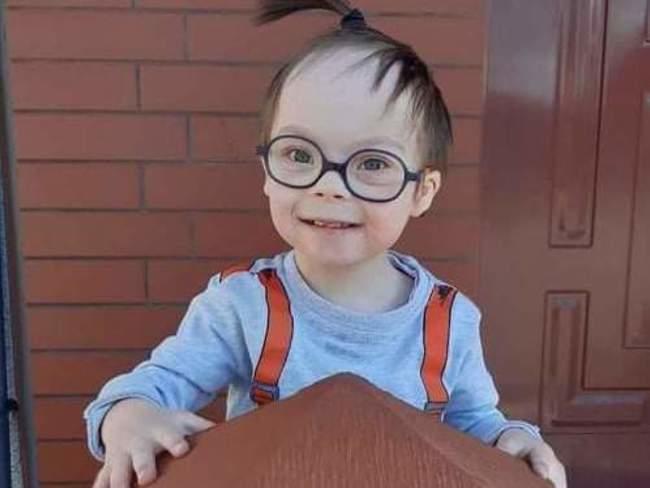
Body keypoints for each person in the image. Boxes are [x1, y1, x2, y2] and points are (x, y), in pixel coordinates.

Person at [84, 2, 567, 487]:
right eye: (299, 154)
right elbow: (154, 386)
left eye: (373, 163)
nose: (329, 187)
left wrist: (513, 438)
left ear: (422, 191)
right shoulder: (241, 304)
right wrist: (127, 416)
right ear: (266, 172)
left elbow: (476, 425)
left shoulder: (450, 321)